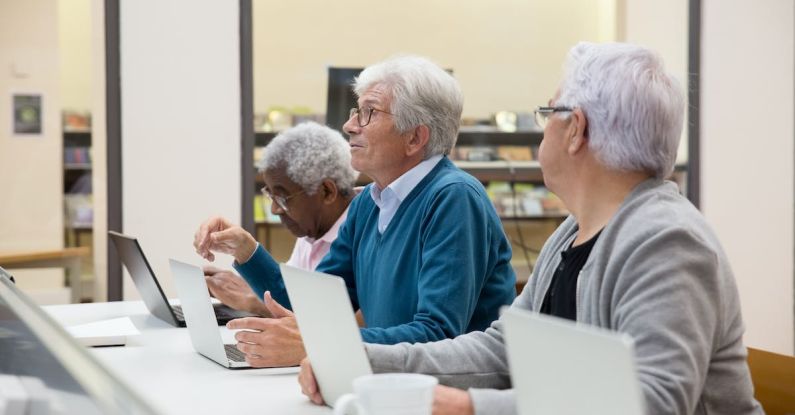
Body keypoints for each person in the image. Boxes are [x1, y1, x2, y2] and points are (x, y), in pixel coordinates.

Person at [298, 42, 762, 414]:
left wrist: (469, 406)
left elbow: (651, 402)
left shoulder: (667, 241)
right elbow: (504, 348)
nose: (543, 130)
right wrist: (365, 360)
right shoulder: (572, 233)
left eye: (550, 113)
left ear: (576, 129)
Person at [196, 55, 517, 368]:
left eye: (369, 112)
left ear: (415, 137)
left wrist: (321, 344)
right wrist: (246, 250)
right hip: (384, 384)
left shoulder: (453, 198)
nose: (349, 125)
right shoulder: (369, 203)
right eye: (356, 111)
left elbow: (439, 336)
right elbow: (316, 304)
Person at [194, 121, 358, 318]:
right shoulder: (314, 229)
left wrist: (253, 301)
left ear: (327, 191)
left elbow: (325, 317)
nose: (274, 209)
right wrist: (247, 274)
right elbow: (289, 294)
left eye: (282, 198)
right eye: (270, 196)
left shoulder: (363, 231)